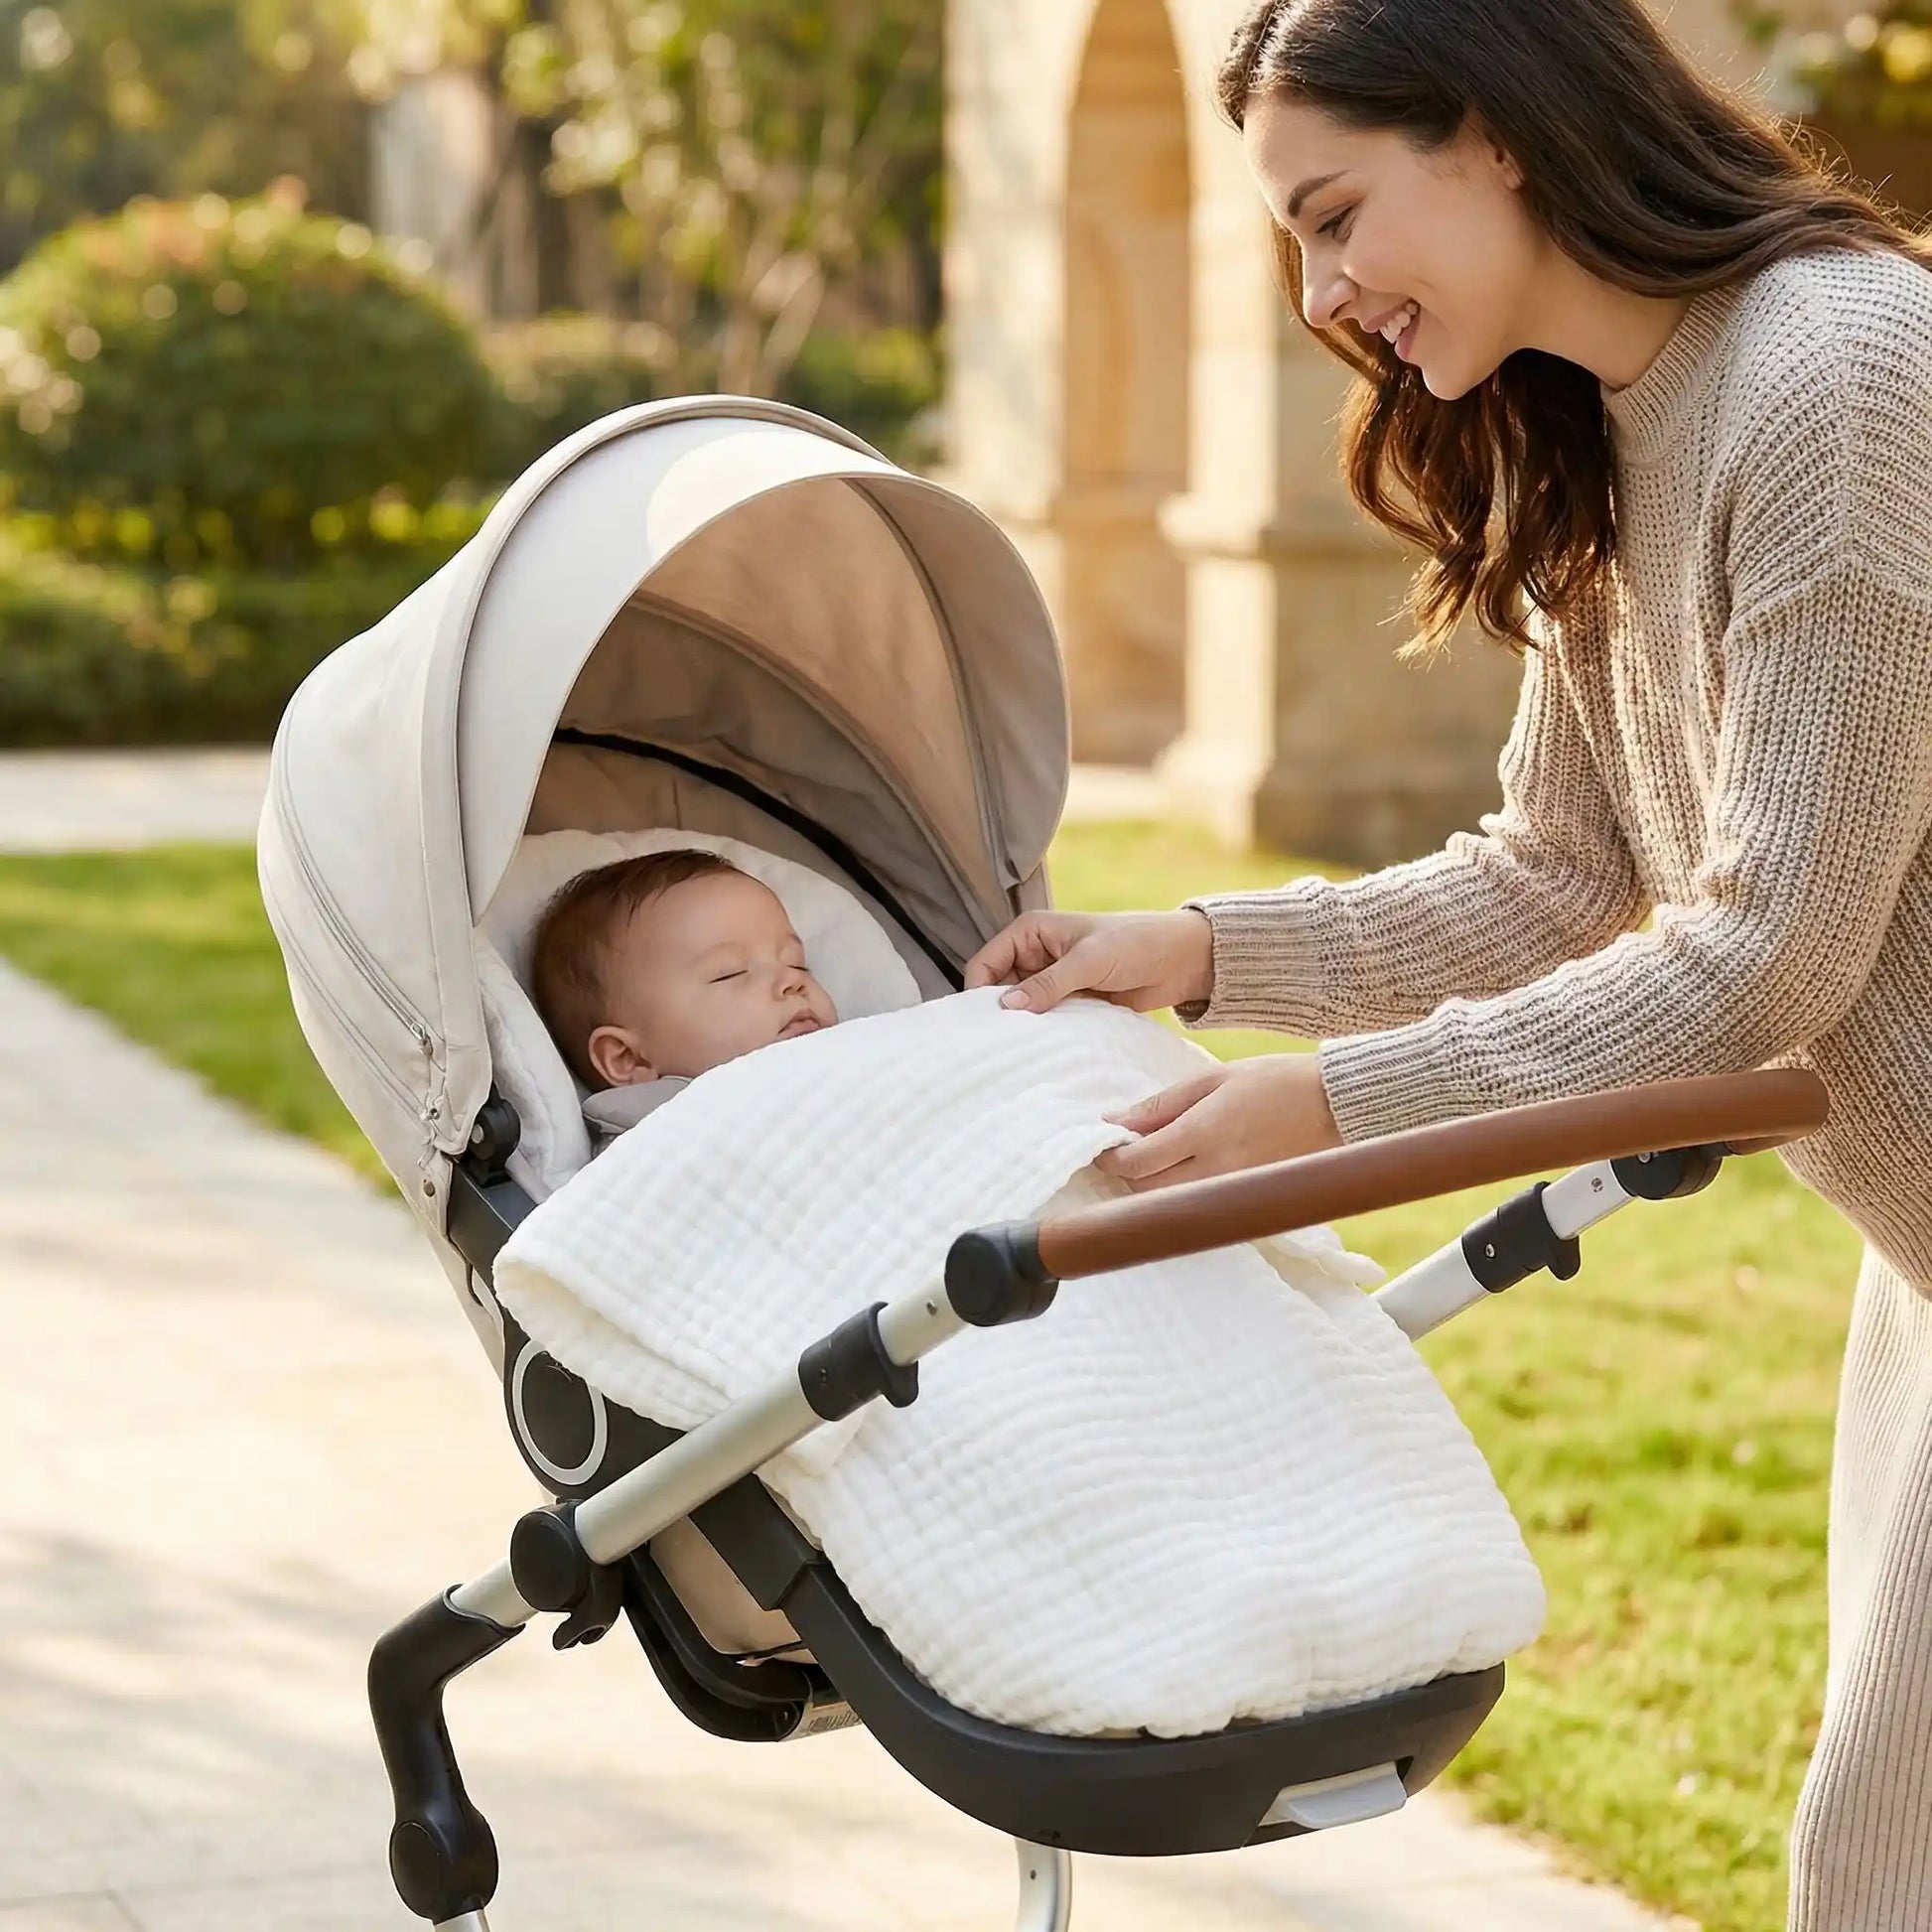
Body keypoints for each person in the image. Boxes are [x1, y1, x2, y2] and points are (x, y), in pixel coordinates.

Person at [965, 0, 1932, 1922]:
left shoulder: (1839, 374)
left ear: (1494, 132)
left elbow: (1760, 960)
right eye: (1288, 242)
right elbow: (1557, 871)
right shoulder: (1602, 426)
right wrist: (1192, 950)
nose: (1322, 293)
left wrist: (1321, 1111)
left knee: (1876, 1863)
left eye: (1335, 213)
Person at [531, 850, 837, 1146]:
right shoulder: (661, 1149)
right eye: (730, 973)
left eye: (797, 963)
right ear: (629, 1058)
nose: (792, 980)